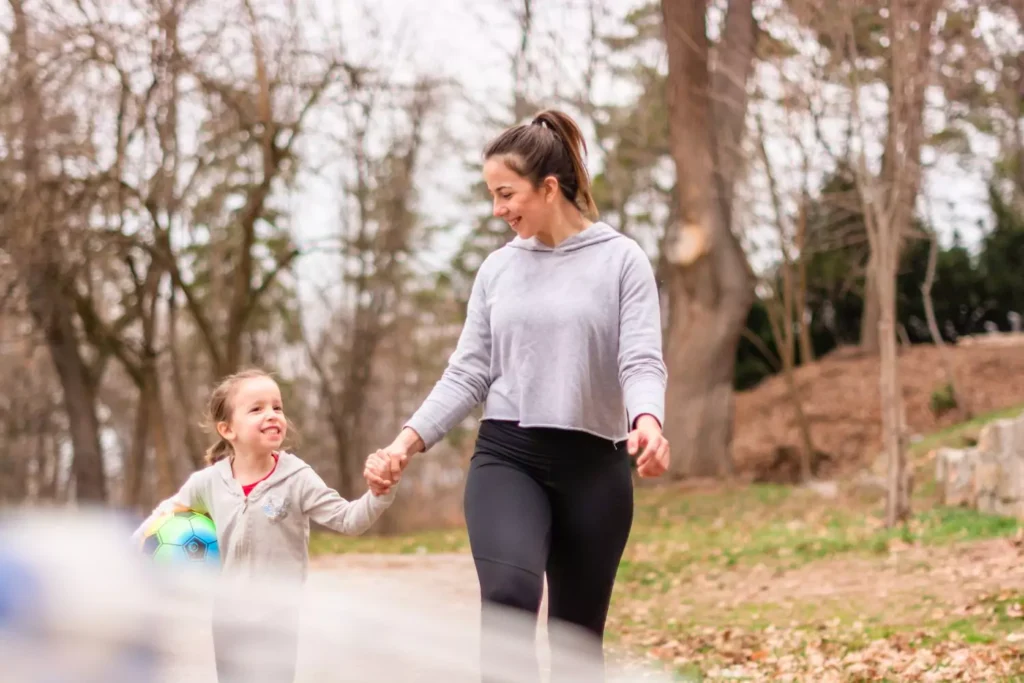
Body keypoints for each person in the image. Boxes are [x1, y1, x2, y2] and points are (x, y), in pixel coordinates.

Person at [366, 109, 670, 680]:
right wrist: (405, 442)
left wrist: (648, 420)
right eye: (492, 195)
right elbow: (468, 372)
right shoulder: (498, 270)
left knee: (576, 644)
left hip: (596, 467)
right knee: (509, 596)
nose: (497, 209)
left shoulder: (621, 260)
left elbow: (640, 359)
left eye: (506, 194)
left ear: (548, 188)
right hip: (509, 457)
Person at [131, 368, 396, 683]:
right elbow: (166, 513)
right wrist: (131, 546)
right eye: (256, 409)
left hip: (278, 616)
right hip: (228, 616)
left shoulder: (297, 478)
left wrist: (379, 494)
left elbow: (349, 520)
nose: (272, 414)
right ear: (227, 429)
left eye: (277, 407)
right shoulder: (208, 482)